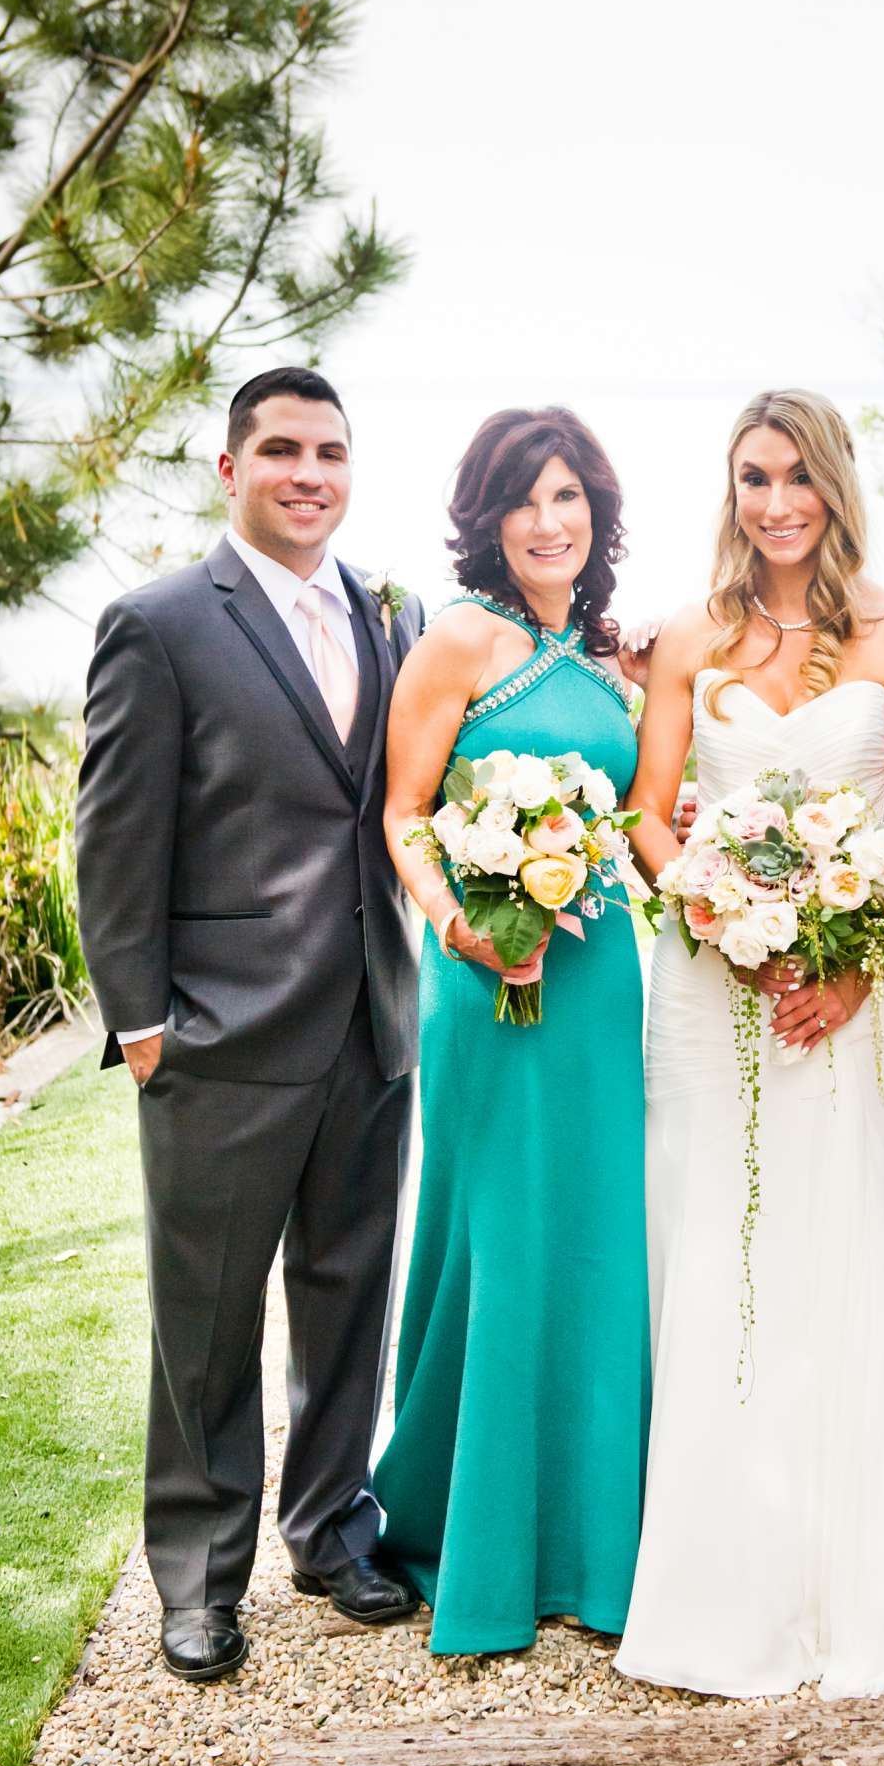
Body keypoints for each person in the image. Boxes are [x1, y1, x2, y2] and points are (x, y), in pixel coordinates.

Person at [614, 388, 884, 1701]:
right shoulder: (688, 636)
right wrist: (720, 917)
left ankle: (862, 1569)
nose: (774, 502)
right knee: (715, 1253)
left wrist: (847, 965)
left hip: (849, 1001)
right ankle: (719, 1569)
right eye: (751, 477)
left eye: (796, 476)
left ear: (835, 485)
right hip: (706, 987)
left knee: (843, 1244)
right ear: (729, 489)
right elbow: (648, 819)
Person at [75, 368, 422, 1681]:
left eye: (331, 450)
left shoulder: (388, 616)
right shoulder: (160, 623)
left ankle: (330, 1531)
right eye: (281, 450)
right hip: (218, 1036)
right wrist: (144, 1021)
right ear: (231, 468)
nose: (309, 473)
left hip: (369, 1026)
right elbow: (115, 838)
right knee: (206, 1320)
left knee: (348, 1298)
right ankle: (200, 1578)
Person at [374, 408, 649, 1653]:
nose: (551, 522)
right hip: (488, 984)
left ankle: (598, 1548)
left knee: (597, 1246)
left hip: (597, 987)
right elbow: (404, 814)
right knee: (500, 1238)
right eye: (525, 501)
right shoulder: (459, 641)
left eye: (570, 499)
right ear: (488, 520)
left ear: (598, 514)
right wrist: (458, 923)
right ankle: (466, 1531)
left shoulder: (603, 661)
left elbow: (648, 812)